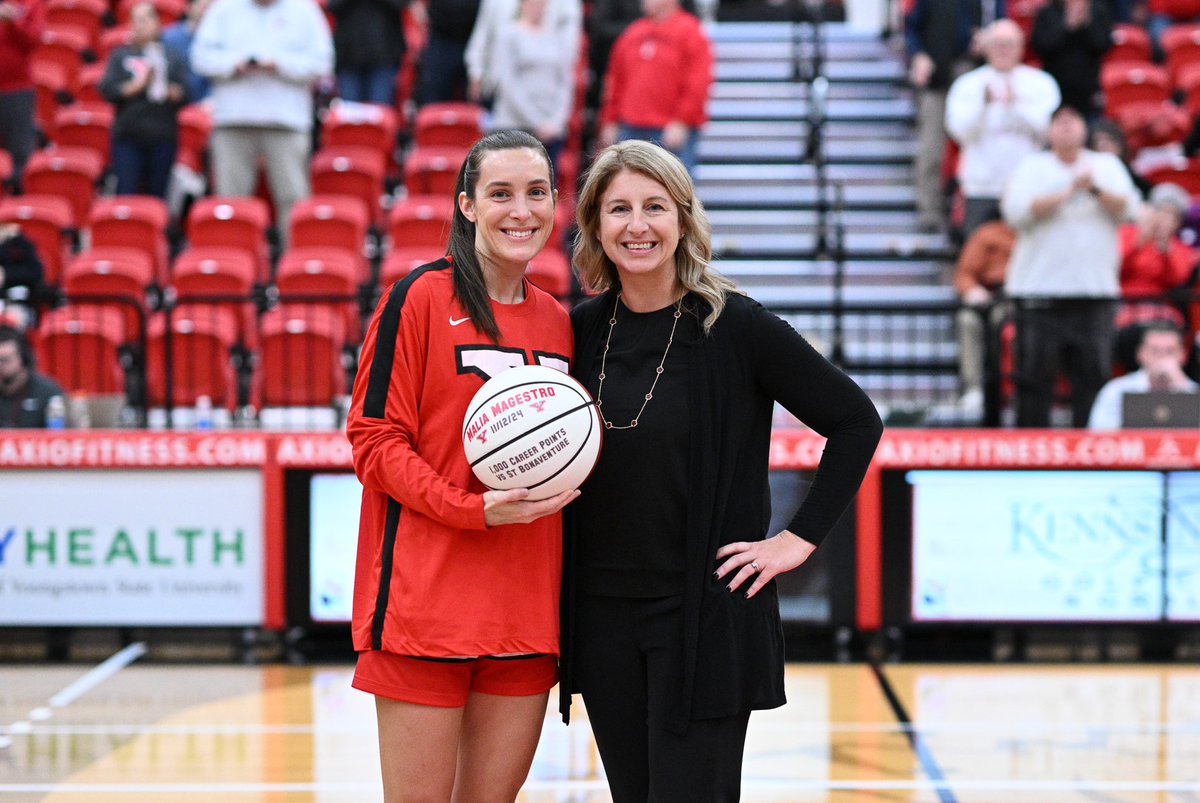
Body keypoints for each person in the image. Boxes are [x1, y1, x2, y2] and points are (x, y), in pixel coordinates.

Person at [560, 140, 883, 800]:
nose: (637, 225)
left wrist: (798, 539)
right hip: (602, 616)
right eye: (618, 208)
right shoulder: (581, 331)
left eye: (655, 206)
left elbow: (856, 421)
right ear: (595, 224)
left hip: (703, 614)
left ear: (682, 219)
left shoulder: (736, 325)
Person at [344, 130, 578, 802]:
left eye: (537, 193)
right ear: (467, 205)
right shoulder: (417, 297)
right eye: (500, 193)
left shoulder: (560, 321)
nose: (521, 210)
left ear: (556, 205)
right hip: (425, 608)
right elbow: (373, 438)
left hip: (526, 614)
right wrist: (470, 508)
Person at [1002, 103, 1142, 427]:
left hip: (1094, 292)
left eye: (1073, 120)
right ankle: (1029, 458)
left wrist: (1092, 188)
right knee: (1033, 381)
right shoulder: (1031, 166)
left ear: (1085, 129)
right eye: (1059, 122)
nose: (1066, 127)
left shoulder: (1106, 165)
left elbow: (1128, 208)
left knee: (1092, 381)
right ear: (1049, 132)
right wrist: (1069, 190)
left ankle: (1090, 461)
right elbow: (1018, 213)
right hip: (1037, 292)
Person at [190, 0, 333, 245]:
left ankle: (296, 269)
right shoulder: (223, 9)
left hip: (286, 119)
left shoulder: (304, 10)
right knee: (230, 204)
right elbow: (200, 58)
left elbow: (322, 63)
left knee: (293, 198)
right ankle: (233, 266)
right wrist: (233, 64)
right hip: (233, 118)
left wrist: (280, 64)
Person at [945, 19, 1061, 240]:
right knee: (978, 255)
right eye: (998, 44)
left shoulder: (1041, 83)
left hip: (1028, 187)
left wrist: (1016, 106)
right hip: (980, 187)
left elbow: (1048, 133)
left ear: (1021, 46)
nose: (1003, 50)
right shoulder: (967, 84)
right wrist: (983, 106)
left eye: (1009, 44)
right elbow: (959, 133)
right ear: (986, 47)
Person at [903, 0, 998, 232]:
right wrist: (919, 56)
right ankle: (930, 211)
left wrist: (988, 40)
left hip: (976, 75)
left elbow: (1001, 26)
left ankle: (967, 211)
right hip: (938, 75)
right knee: (931, 147)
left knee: (976, 146)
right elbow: (912, 28)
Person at [595, 0, 713, 177]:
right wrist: (609, 120)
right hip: (630, 129)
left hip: (669, 132)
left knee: (674, 192)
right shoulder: (633, 32)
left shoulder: (690, 32)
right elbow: (614, 80)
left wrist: (682, 121)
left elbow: (697, 83)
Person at [99, 2, 189, 199]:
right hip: (128, 136)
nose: (140, 25)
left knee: (157, 196)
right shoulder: (120, 55)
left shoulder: (171, 56)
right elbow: (107, 90)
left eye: (145, 19)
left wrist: (167, 88)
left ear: (157, 23)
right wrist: (138, 86)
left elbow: (186, 92)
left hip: (162, 135)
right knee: (126, 193)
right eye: (135, 20)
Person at [487, 0, 576, 167]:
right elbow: (508, 84)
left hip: (551, 130)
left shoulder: (555, 37)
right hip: (514, 127)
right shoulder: (508, 34)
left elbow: (564, 83)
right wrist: (536, 123)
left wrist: (555, 121)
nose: (539, 6)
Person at [953, 211, 1016, 416]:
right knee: (967, 320)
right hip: (989, 294)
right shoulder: (987, 234)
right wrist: (972, 290)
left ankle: (1008, 388)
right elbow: (965, 273)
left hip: (1021, 300)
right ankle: (974, 388)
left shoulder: (1040, 234)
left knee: (1002, 322)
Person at [464, 0, 579, 108]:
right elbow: (482, 34)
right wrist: (476, 72)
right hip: (497, 86)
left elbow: (568, 44)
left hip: (541, 91)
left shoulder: (563, 4)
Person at [1088, 320, 1198, 429]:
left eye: (1169, 351)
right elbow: (1098, 433)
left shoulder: (1195, 392)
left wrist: (1183, 388)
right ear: (1140, 354)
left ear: (1183, 355)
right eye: (1154, 351)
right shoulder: (1116, 390)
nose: (1162, 358)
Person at [1030, 0, 1112, 120]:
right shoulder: (1046, 12)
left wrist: (1086, 25)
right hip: (1054, 92)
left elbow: (1103, 45)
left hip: (1087, 94)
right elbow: (1041, 46)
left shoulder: (1098, 11)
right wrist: (1066, 26)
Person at [328, 0, 410, 105]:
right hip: (349, 56)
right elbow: (333, 6)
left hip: (384, 55)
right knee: (350, 117)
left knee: (380, 114)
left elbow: (401, 4)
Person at [0, 0, 45, 186]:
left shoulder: (31, 3)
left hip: (17, 90)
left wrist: (12, 22)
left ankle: (17, 205)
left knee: (20, 156)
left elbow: (34, 40)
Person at [0, 325, 65, 428]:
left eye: (5, 360)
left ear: (23, 358)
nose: (1, 365)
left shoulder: (48, 392)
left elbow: (60, 435)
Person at [162, 0, 216, 102]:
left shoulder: (220, 39)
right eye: (202, 6)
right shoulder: (170, 38)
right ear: (188, 8)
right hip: (179, 102)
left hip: (214, 102)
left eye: (209, 6)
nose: (205, 11)